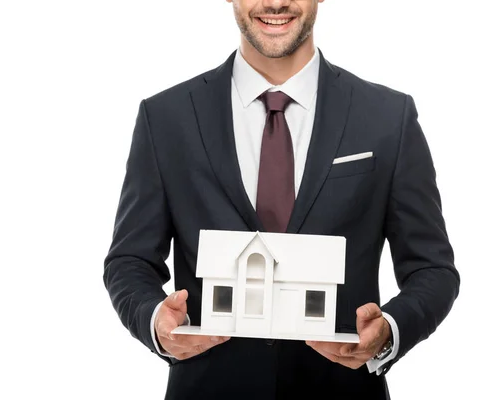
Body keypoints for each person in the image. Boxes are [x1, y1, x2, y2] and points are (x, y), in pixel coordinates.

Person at [103, 0, 460, 398]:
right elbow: (129, 260)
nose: (275, 3)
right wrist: (155, 321)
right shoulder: (166, 117)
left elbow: (434, 270)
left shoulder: (387, 117)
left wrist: (389, 330)